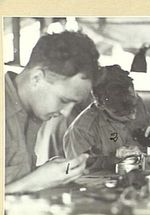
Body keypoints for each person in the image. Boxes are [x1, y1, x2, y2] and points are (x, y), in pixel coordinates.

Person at [5, 31, 100, 193]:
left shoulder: (30, 112)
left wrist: (50, 172)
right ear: (36, 78)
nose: (66, 112)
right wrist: (34, 182)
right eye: (64, 100)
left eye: (74, 103)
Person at [63, 65, 150, 169]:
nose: (132, 117)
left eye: (132, 109)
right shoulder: (81, 131)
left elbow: (146, 143)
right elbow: (76, 171)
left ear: (132, 90)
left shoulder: (134, 101)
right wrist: (113, 159)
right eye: (119, 112)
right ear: (100, 105)